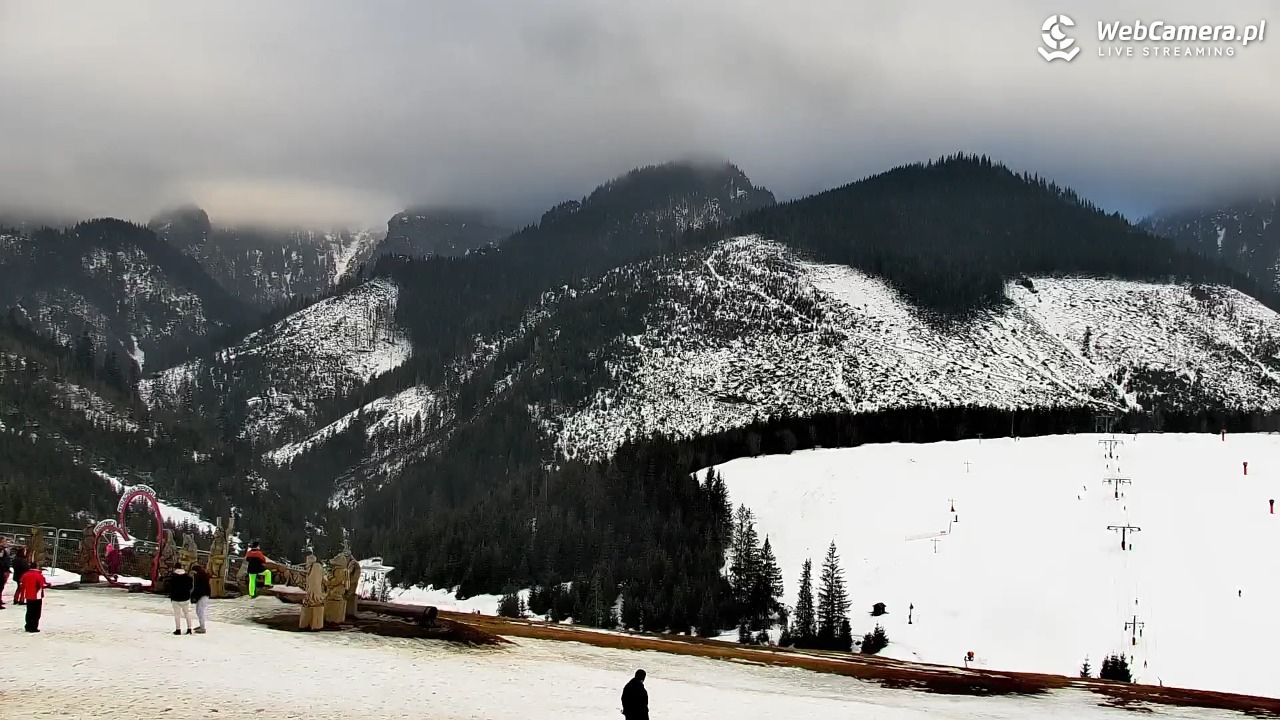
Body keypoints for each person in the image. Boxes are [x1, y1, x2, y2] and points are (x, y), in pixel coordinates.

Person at [19, 565, 48, 632]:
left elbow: (21, 583)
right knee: (36, 613)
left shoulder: (25, 574)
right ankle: (33, 627)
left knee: (29, 611)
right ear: (36, 567)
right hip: (37, 596)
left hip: (28, 595)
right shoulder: (39, 575)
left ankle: (28, 626)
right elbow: (43, 584)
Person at [167, 567, 195, 635]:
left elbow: (170, 588)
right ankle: (189, 629)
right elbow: (190, 587)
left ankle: (178, 630)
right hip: (186, 598)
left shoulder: (173, 578)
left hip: (175, 598)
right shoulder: (188, 578)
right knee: (187, 613)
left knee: (177, 615)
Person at [190, 564, 212, 634]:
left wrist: (194, 597)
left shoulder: (199, 576)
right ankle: (201, 625)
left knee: (200, 611)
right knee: (198, 611)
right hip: (204, 595)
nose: (192, 573)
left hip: (203, 596)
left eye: (193, 571)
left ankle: (202, 628)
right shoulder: (202, 575)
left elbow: (198, 588)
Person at [0, 537, 11, 609]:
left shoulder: (4, 550)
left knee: (1, 586)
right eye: (3, 541)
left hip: (4, 570)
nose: (5, 543)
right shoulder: (1, 550)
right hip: (1, 571)